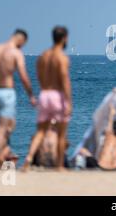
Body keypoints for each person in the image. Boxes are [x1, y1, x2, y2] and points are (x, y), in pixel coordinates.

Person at [0, 29, 36, 168]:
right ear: (21, 40)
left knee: (9, 125)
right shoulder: (16, 53)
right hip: (7, 92)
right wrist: (31, 95)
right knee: (3, 129)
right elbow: (23, 76)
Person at [22, 26, 72, 171]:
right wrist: (68, 101)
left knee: (40, 131)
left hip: (44, 94)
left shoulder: (43, 56)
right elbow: (64, 79)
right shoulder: (62, 57)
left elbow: (38, 74)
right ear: (64, 38)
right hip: (57, 95)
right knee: (61, 133)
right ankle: (59, 165)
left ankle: (29, 158)